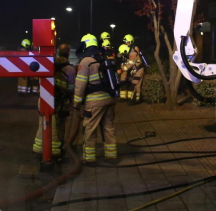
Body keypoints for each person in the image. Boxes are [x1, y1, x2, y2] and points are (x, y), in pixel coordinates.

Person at [74, 33, 117, 164]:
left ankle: (90, 158)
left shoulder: (86, 61)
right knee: (109, 127)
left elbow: (80, 84)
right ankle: (111, 156)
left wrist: (76, 103)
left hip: (94, 101)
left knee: (90, 129)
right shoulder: (104, 57)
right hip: (109, 99)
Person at [33, 43, 74, 158]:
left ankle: (38, 149)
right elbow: (71, 90)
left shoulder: (49, 64)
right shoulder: (70, 69)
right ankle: (55, 151)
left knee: (44, 124)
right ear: (68, 54)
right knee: (57, 126)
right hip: (59, 103)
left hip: (44, 99)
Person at [124, 34, 145, 105]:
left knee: (133, 85)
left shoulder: (132, 52)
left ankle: (132, 100)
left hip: (138, 70)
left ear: (130, 41)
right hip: (138, 69)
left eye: (126, 42)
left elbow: (131, 63)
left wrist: (124, 68)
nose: (125, 43)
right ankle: (137, 99)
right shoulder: (134, 48)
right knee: (138, 86)